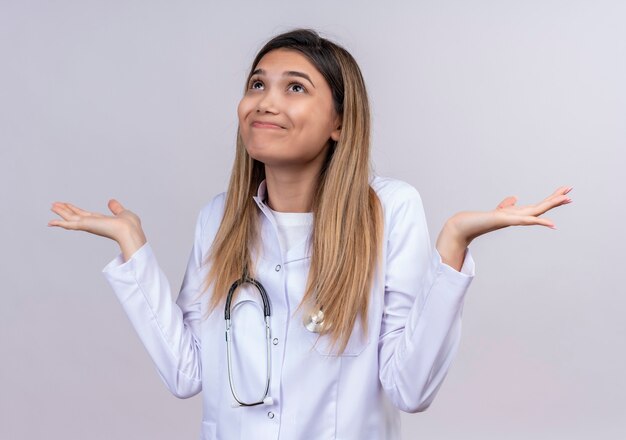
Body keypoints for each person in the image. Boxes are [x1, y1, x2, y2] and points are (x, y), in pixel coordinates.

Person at [48, 28, 572, 440]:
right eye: (257, 84)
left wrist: (453, 245)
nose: (265, 102)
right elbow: (187, 372)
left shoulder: (390, 209)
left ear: (339, 123)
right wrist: (132, 247)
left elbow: (409, 388)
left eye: (294, 87)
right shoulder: (220, 219)